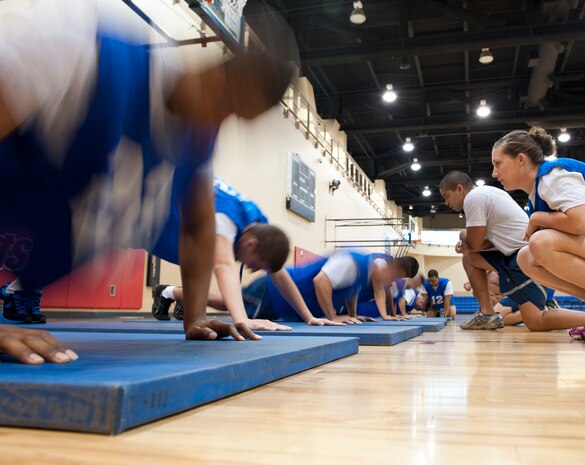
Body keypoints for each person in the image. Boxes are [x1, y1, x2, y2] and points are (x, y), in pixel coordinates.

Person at [0, 0, 293, 362]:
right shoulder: (81, 54)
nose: (222, 124)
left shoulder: (196, 143)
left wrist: (196, 316)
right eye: (229, 107)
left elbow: (197, 226)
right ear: (214, 78)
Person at [150, 178, 341, 328]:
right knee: (221, 278)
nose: (251, 269)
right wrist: (243, 319)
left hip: (191, 215)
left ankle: (175, 295)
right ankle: (167, 293)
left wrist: (309, 317)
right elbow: (223, 265)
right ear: (251, 244)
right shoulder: (226, 219)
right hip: (160, 205)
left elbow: (279, 275)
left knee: (225, 292)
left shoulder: (258, 222)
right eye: (255, 265)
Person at [439, 168, 585, 331]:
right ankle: (487, 314)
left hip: (523, 257)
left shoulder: (473, 197)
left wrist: (464, 238)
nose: (446, 202)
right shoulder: (487, 193)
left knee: (536, 322)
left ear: (459, 189)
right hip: (511, 255)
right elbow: (480, 245)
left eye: (446, 196)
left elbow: (474, 243)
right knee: (470, 257)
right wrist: (468, 245)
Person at [488, 127, 585, 337]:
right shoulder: (537, 192)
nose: (494, 173)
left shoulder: (553, 176)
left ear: (520, 159)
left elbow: (580, 222)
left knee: (541, 243)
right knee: (526, 258)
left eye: (498, 164)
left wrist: (537, 218)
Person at [208, 251, 420, 323]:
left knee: (227, 302)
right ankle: (174, 292)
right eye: (393, 276)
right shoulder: (353, 262)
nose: (390, 283)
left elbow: (351, 292)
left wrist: (353, 314)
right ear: (389, 266)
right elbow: (321, 282)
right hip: (273, 292)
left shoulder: (363, 274)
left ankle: (176, 292)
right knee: (224, 302)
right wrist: (332, 316)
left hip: (283, 306)